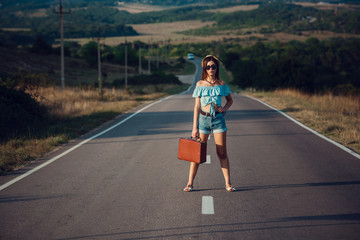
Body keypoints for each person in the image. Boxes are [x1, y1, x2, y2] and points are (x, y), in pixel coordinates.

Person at [184, 55, 235, 192]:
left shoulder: (222, 84)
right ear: (204, 68)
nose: (211, 69)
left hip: (218, 120)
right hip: (203, 120)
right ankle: (190, 183)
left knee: (222, 153)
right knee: (196, 153)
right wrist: (194, 127)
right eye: (208, 67)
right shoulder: (200, 84)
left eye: (213, 66)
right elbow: (196, 107)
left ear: (216, 67)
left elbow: (229, 100)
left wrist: (223, 109)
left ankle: (228, 184)